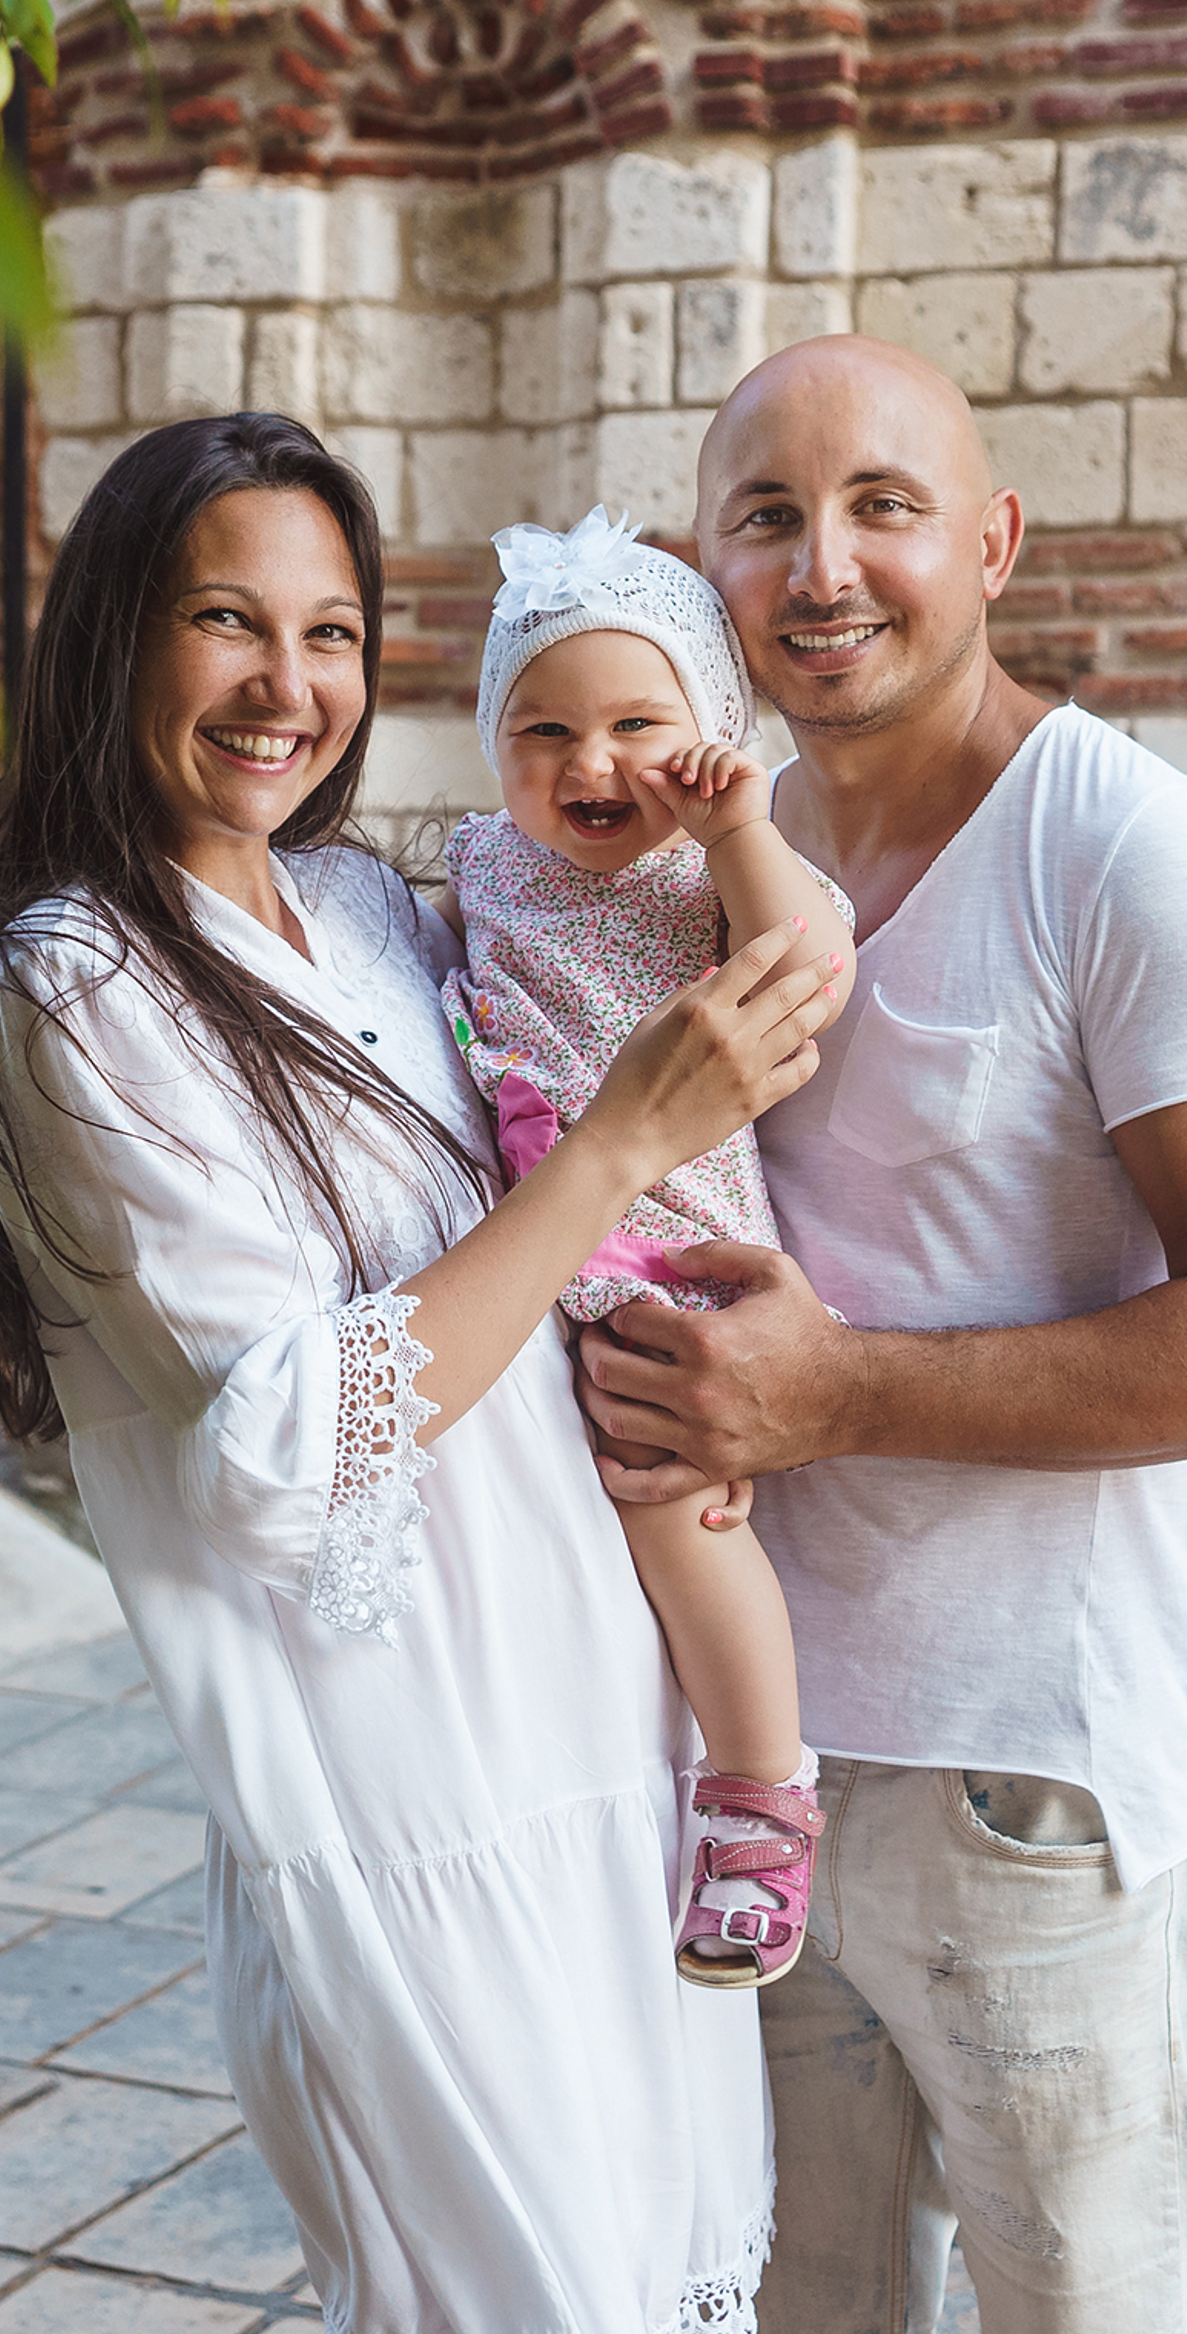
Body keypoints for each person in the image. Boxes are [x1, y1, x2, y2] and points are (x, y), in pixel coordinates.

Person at [0, 413, 837, 2334]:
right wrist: (616, 1141)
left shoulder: (365, 907)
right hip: (400, 1792)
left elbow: (543, 1172)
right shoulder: (74, 982)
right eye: (226, 623)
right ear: (116, 638)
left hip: (606, 1728)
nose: (290, 688)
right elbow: (276, 1448)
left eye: (335, 631)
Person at [578, 335, 1187, 2333]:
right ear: (706, 564)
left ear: (993, 542)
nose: (819, 565)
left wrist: (827, 1389)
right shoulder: (718, 854)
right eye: (763, 517)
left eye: (880, 507)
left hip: (1038, 1801)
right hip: (761, 1772)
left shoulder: (1126, 852)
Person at [436, 502, 855, 1988]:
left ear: (709, 732)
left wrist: (739, 824)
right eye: (541, 729)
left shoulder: (706, 880)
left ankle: (759, 1800)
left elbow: (808, 971)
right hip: (525, 1253)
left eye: (635, 725)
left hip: (664, 1264)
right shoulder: (483, 862)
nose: (589, 764)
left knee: (682, 1520)